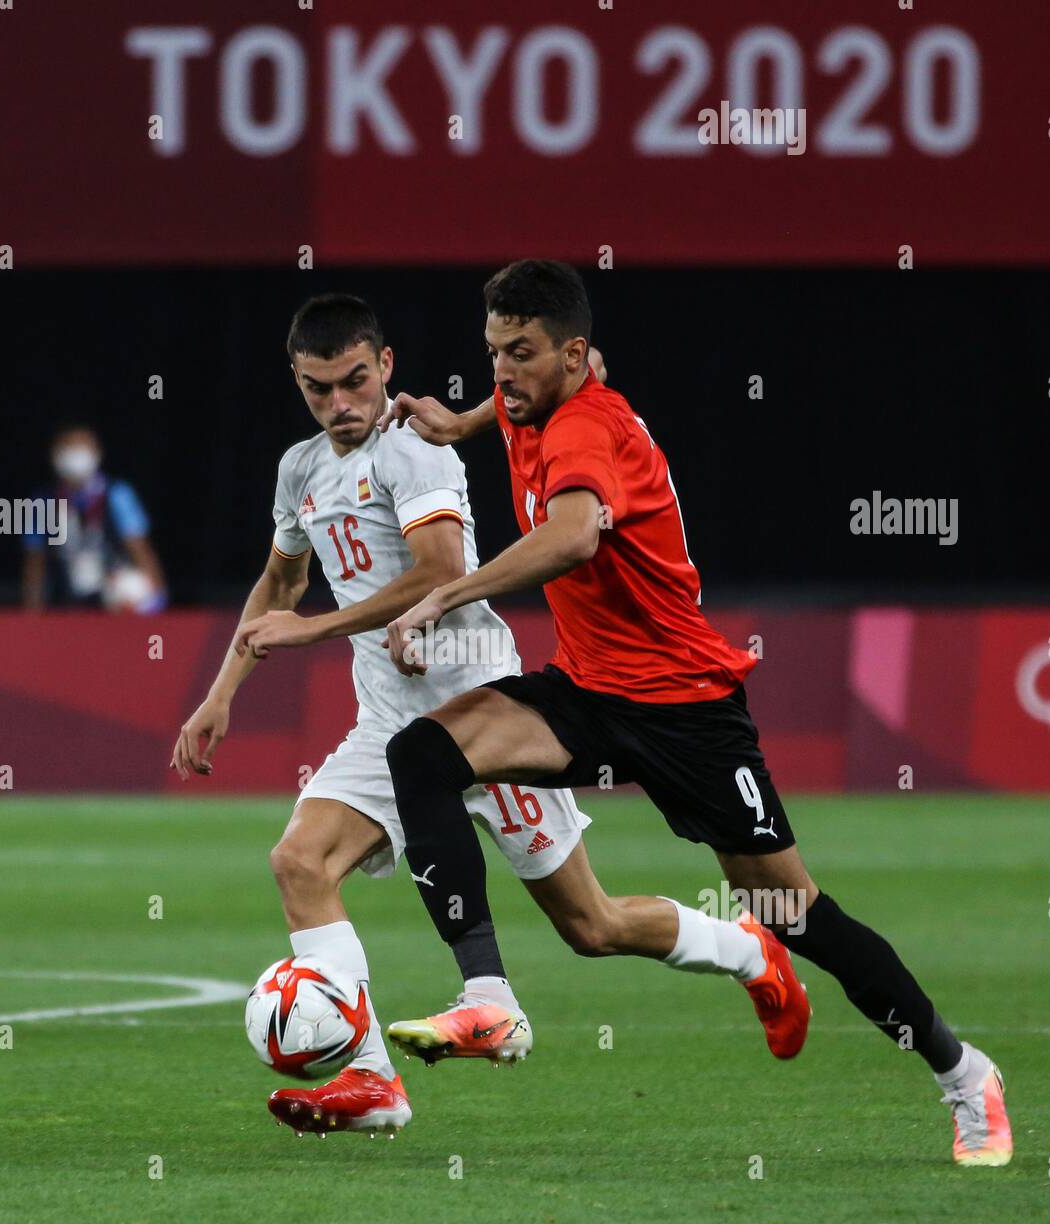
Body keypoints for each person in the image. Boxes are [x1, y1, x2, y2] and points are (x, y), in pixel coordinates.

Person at [378, 259, 1011, 1168]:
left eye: (520, 356)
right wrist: (465, 419)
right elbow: (514, 401)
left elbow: (573, 535)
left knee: (796, 911)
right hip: (591, 693)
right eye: (492, 354)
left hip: (686, 711)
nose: (503, 372)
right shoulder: (538, 391)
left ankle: (966, 1076)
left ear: (575, 354)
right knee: (423, 755)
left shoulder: (589, 425)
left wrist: (444, 598)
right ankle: (488, 994)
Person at [175, 293, 806, 1137]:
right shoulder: (301, 471)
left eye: (356, 382)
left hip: (486, 712)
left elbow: (431, 571)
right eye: (319, 389)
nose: (341, 405)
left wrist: (314, 631)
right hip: (388, 723)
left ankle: (748, 951)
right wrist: (221, 693)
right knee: (298, 863)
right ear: (297, 381)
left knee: (592, 924)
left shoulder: (414, 454)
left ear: (386, 367)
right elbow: (280, 585)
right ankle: (372, 1082)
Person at [22, 424, 166, 612]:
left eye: (81, 447)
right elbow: (35, 560)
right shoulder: (42, 501)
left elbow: (139, 548)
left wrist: (158, 596)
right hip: (64, 599)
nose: (75, 455)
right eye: (68, 448)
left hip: (111, 593)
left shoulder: (117, 494)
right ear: (54, 456)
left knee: (132, 587)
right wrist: (32, 613)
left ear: (97, 452)